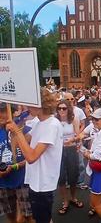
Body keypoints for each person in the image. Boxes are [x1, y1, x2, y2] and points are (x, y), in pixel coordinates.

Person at [6, 88, 63, 223]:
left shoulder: (52, 125)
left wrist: (17, 132)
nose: (26, 107)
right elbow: (25, 142)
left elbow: (31, 157)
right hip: (35, 181)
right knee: (41, 218)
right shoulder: (38, 122)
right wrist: (17, 127)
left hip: (43, 183)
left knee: (42, 219)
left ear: (39, 105)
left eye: (29, 104)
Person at [0, 103, 33, 223]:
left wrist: (14, 166)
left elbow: (32, 157)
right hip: (3, 182)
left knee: (29, 216)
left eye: (4, 111)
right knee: (10, 216)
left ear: (12, 113)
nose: (1, 114)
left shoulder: (25, 131)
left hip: (23, 180)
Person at [56, 100, 83, 215]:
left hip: (71, 150)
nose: (61, 110)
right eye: (59, 108)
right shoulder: (54, 121)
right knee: (61, 177)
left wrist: (74, 142)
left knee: (73, 176)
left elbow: (78, 136)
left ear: (68, 109)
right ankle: (65, 201)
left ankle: (72, 197)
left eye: (64, 108)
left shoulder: (74, 120)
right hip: (58, 152)